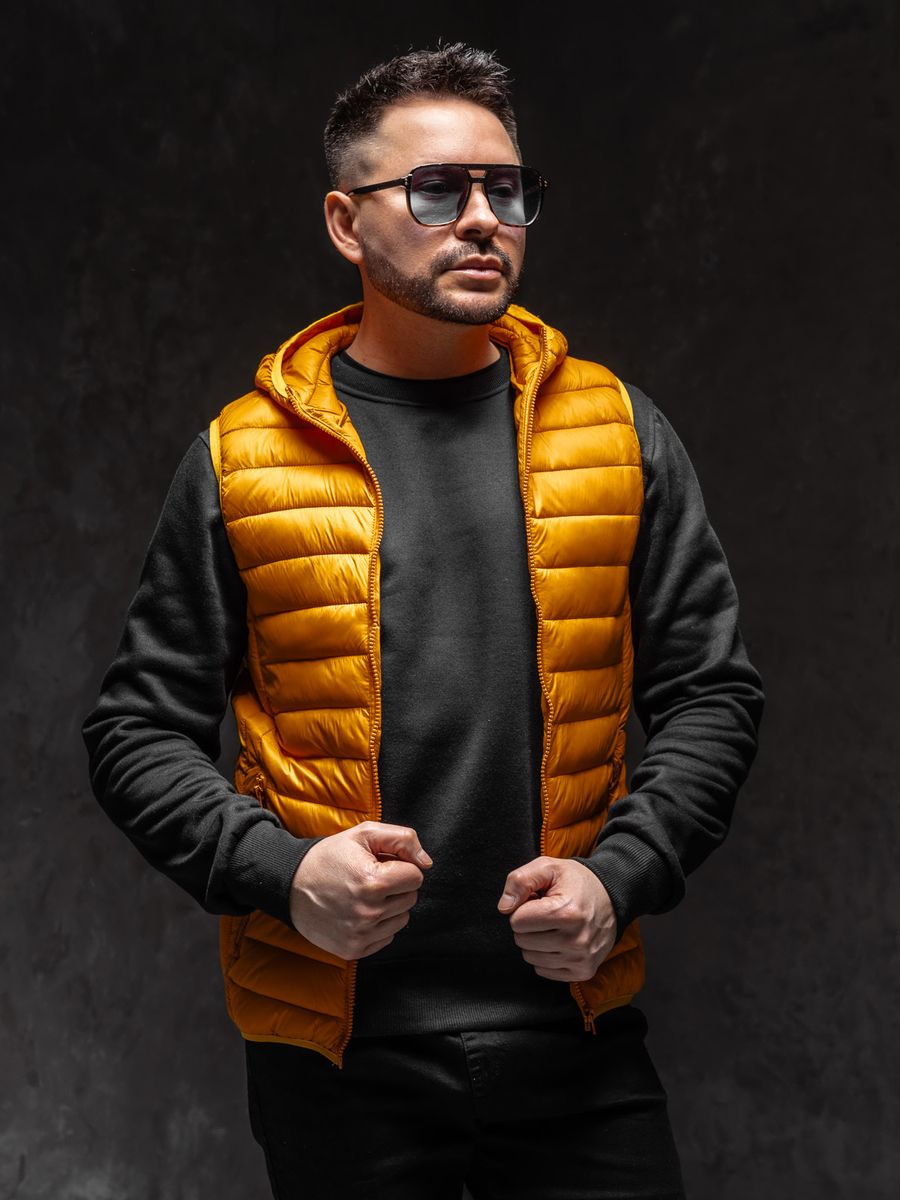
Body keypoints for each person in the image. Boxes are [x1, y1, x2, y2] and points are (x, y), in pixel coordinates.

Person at [83, 43, 764, 1200]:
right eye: (439, 190)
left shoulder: (617, 430)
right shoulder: (241, 457)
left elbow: (712, 695)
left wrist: (619, 878)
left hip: (577, 1038)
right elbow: (134, 732)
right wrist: (285, 874)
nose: (485, 219)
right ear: (347, 223)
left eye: (508, 189)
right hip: (338, 1058)